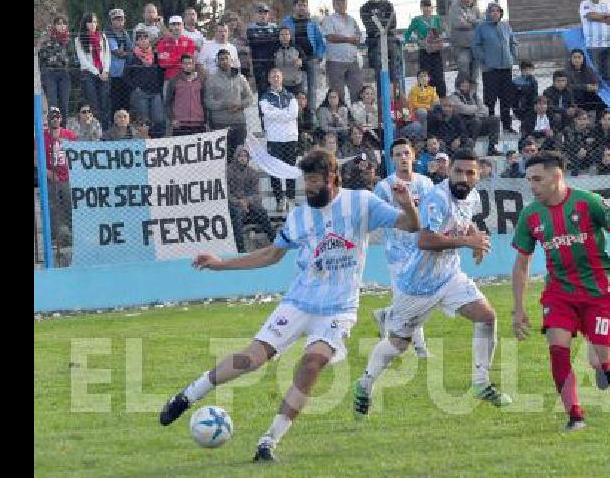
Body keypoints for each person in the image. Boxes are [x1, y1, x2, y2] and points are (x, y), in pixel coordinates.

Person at [161, 149, 422, 463]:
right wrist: (221, 265)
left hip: (338, 309)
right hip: (298, 303)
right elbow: (271, 255)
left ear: (332, 178)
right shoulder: (299, 216)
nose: (308, 188)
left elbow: (410, 225)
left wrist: (407, 204)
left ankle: (269, 441)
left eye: (314, 182)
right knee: (250, 359)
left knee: (313, 362)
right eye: (305, 182)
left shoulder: (361, 203)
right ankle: (188, 396)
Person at [354, 148, 514, 419]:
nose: (464, 177)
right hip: (417, 285)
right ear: (449, 171)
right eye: (458, 172)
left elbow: (465, 222)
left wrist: (475, 238)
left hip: (450, 276)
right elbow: (425, 240)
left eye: (470, 173)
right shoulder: (437, 198)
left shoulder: (471, 195)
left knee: (486, 316)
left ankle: (481, 383)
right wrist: (466, 242)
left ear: (479, 175)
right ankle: (364, 385)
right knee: (398, 343)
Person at [510, 150, 610, 432]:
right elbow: (521, 264)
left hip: (598, 292)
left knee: (598, 356)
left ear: (556, 177)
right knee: (558, 350)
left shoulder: (588, 202)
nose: (532, 186)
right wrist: (519, 308)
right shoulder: (530, 216)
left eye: (537, 180)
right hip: (559, 294)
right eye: (529, 180)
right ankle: (575, 416)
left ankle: (605, 364)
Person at [472, 1, 518, 134]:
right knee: (490, 100)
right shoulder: (481, 28)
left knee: (506, 99)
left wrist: (513, 56)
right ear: (487, 13)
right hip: (490, 69)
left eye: (497, 11)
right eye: (492, 11)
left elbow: (513, 41)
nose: (494, 13)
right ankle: (490, 128)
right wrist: (485, 59)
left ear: (501, 13)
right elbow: (476, 46)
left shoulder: (505, 26)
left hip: (506, 68)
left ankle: (507, 126)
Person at [260, 68, 301, 211]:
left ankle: (290, 198)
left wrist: (277, 114)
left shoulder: (290, 96)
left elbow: (294, 114)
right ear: (269, 79)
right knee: (274, 170)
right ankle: (280, 200)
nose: (276, 79)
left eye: (278, 76)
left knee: (290, 169)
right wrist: (284, 113)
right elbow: (267, 113)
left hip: (290, 138)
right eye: (273, 76)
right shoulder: (265, 97)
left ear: (282, 78)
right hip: (274, 138)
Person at [203, 49, 255, 161]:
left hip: (239, 123)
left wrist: (239, 105)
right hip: (220, 124)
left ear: (231, 60)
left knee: (239, 157)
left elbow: (250, 98)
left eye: (226, 58)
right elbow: (208, 101)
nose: (224, 61)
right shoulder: (211, 79)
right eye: (221, 59)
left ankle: (237, 179)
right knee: (223, 159)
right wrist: (224, 105)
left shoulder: (240, 78)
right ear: (217, 62)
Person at [281, 0, 327, 118]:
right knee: (300, 89)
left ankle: (311, 115)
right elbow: (282, 38)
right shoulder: (287, 22)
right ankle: (298, 116)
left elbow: (321, 42)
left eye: (304, 5)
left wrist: (319, 56)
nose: (302, 8)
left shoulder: (312, 23)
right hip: (294, 61)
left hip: (311, 59)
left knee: (312, 90)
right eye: (299, 5)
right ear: (294, 7)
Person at [43, 107, 78, 266]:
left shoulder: (69, 135)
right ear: (48, 119)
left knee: (70, 205)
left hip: (68, 176)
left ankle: (72, 235)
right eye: (52, 117)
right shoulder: (41, 136)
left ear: (61, 118)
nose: (55, 119)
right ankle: (55, 237)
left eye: (57, 116)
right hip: (51, 177)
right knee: (53, 206)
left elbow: (77, 154)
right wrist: (47, 172)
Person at [361, 0, 405, 93]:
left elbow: (393, 23)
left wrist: (382, 28)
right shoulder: (364, 8)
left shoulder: (387, 5)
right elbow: (369, 25)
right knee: (380, 75)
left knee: (395, 73)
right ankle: (383, 101)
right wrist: (382, 26)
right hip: (375, 44)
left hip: (390, 41)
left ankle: (397, 100)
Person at [227, 146, 274, 253]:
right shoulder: (228, 171)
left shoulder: (252, 172)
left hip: (250, 203)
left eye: (245, 156)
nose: (243, 158)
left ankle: (274, 240)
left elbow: (257, 194)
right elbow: (226, 193)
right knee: (237, 216)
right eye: (240, 156)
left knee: (262, 212)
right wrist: (238, 202)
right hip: (234, 203)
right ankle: (241, 249)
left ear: (248, 158)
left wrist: (247, 201)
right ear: (236, 157)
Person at [321, 0, 366, 103]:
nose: (342, 6)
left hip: (352, 60)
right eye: (339, 4)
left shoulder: (352, 20)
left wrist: (355, 39)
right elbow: (330, 37)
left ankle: (357, 116)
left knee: (357, 90)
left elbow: (359, 36)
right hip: (335, 61)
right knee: (338, 93)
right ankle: (339, 117)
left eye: (344, 3)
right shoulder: (329, 19)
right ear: (334, 5)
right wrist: (349, 39)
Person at [123, 29, 166, 138]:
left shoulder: (155, 56)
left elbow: (161, 73)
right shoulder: (132, 57)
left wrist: (159, 87)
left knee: (158, 119)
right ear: (136, 42)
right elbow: (126, 76)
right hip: (140, 93)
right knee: (143, 121)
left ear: (149, 40)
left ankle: (158, 142)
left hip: (155, 92)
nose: (143, 41)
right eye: (140, 39)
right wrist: (135, 88)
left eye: (145, 38)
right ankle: (145, 144)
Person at [76, 12, 112, 127]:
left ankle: (106, 129)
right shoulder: (79, 39)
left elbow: (107, 55)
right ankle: (96, 129)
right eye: (90, 22)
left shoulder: (103, 36)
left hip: (103, 72)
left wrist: (105, 70)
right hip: (89, 73)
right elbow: (83, 60)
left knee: (105, 101)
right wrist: (97, 73)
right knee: (93, 103)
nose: (93, 24)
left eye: (95, 21)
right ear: (85, 24)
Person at [580, 0, 610, 86]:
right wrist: (606, 16)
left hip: (609, 45)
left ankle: (606, 99)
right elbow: (590, 16)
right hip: (593, 46)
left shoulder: (606, 5)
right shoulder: (585, 4)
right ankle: (596, 99)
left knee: (608, 75)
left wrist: (600, 17)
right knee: (594, 75)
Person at [405, 0, 447, 97]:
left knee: (439, 75)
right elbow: (407, 34)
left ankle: (441, 98)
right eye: (425, 6)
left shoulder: (436, 18)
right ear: (421, 8)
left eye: (429, 6)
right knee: (425, 75)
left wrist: (440, 37)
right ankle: (426, 97)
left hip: (436, 51)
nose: (427, 9)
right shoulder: (417, 20)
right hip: (424, 51)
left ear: (432, 7)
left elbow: (443, 31)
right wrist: (416, 41)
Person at [450, 75, 501, 155]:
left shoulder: (474, 96)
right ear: (458, 84)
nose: (466, 85)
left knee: (495, 119)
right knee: (475, 121)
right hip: (464, 126)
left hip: (477, 121)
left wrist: (474, 111)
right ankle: (470, 148)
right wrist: (475, 109)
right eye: (463, 83)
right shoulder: (454, 97)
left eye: (467, 83)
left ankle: (492, 148)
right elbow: (463, 109)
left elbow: (485, 110)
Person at [39, 16, 75, 125]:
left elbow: (72, 58)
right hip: (50, 73)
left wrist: (63, 61)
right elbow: (43, 56)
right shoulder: (47, 38)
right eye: (59, 23)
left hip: (64, 74)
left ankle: (63, 130)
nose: (62, 26)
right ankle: (52, 130)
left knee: (64, 104)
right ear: (54, 25)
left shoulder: (68, 40)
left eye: (64, 23)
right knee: (53, 105)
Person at [447, 0, 483, 87]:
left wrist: (470, 21)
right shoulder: (455, 8)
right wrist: (474, 23)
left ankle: (473, 96)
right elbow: (459, 23)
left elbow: (482, 23)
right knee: (464, 71)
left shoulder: (476, 9)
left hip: (475, 46)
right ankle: (461, 95)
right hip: (461, 46)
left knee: (475, 73)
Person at [166, 53, 209, 136]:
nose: (188, 66)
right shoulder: (174, 80)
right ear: (181, 64)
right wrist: (172, 119)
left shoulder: (201, 80)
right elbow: (168, 102)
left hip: (198, 123)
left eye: (190, 63)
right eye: (185, 63)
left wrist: (206, 120)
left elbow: (204, 100)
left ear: (194, 64)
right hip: (180, 124)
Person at [247, 3, 281, 94]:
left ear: (268, 15)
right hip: (258, 64)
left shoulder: (274, 28)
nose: (263, 15)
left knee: (274, 90)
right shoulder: (250, 28)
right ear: (256, 15)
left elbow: (278, 44)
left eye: (265, 13)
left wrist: (262, 40)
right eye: (260, 13)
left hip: (273, 63)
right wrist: (268, 40)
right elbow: (253, 43)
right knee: (262, 91)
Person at [106, 9, 134, 116]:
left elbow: (129, 51)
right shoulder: (108, 34)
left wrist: (127, 52)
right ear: (111, 21)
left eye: (121, 19)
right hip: (114, 75)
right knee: (115, 104)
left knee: (126, 103)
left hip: (125, 74)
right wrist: (127, 52)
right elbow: (118, 53)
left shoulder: (125, 34)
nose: (119, 21)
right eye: (116, 19)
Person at [565, 49, 605, 120]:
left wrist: (595, 86)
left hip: (588, 97)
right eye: (574, 57)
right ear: (571, 59)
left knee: (601, 100)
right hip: (574, 98)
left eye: (579, 57)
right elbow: (568, 86)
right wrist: (585, 87)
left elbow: (597, 82)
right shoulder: (567, 71)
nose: (577, 60)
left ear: (583, 58)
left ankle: (598, 122)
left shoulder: (589, 70)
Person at [272, 26, 306, 98]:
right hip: (280, 84)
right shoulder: (274, 49)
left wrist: (301, 60)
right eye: (282, 35)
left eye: (286, 34)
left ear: (290, 36)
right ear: (278, 36)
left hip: (296, 84)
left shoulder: (297, 48)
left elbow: (305, 61)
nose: (284, 37)